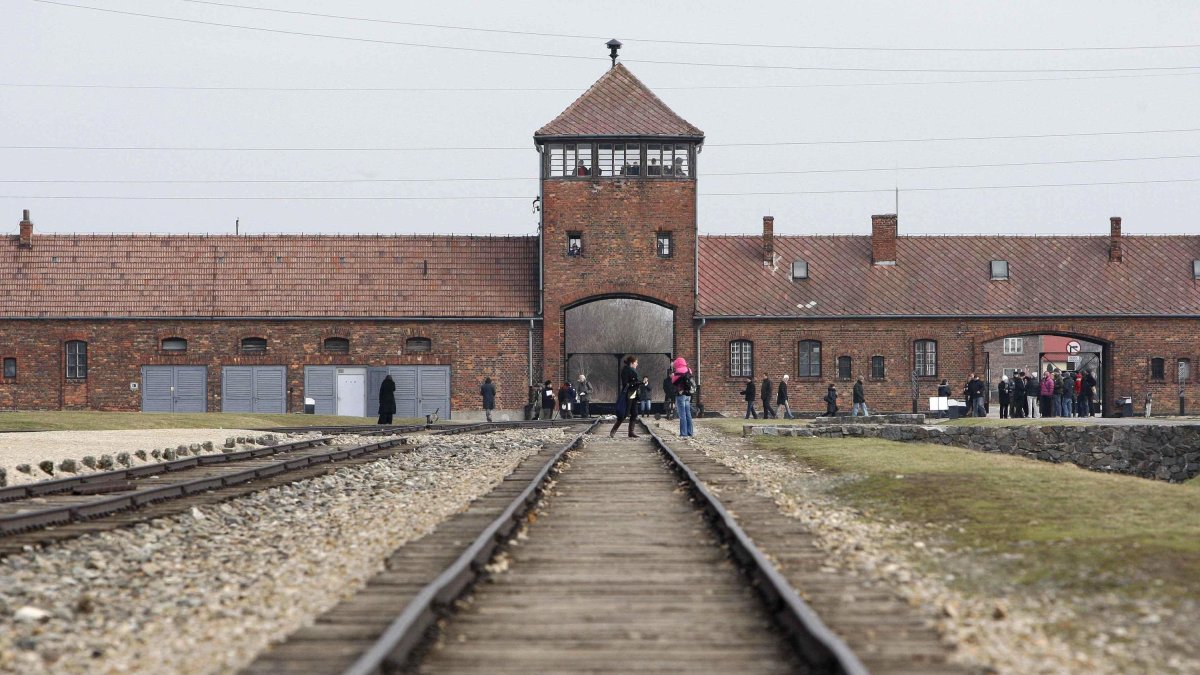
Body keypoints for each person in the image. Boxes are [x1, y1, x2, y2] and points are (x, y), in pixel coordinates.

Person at [610, 355, 642, 438]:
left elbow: (634, 382)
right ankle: (613, 430)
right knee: (624, 414)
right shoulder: (626, 370)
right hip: (628, 394)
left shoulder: (633, 370)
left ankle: (631, 432)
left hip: (634, 394)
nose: (637, 364)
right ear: (631, 363)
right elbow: (626, 384)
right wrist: (636, 383)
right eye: (636, 362)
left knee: (634, 413)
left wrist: (638, 383)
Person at [671, 357, 695, 437]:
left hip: (680, 395)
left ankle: (683, 433)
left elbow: (673, 382)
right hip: (688, 395)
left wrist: (673, 376)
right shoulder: (689, 370)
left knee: (682, 415)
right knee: (688, 413)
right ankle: (690, 432)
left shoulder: (677, 372)